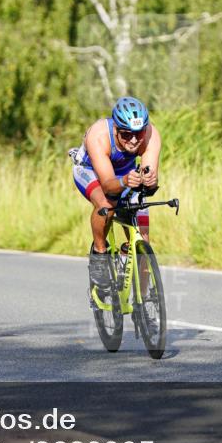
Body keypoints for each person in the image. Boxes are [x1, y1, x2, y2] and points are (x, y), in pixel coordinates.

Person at [71, 96, 161, 296]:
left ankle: (144, 303)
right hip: (91, 171)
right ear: (116, 130)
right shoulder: (98, 135)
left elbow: (149, 177)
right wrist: (124, 182)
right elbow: (108, 185)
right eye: (127, 135)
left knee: (143, 240)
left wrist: (150, 181)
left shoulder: (151, 135)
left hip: (125, 174)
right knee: (106, 204)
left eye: (139, 133)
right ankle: (100, 256)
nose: (134, 140)